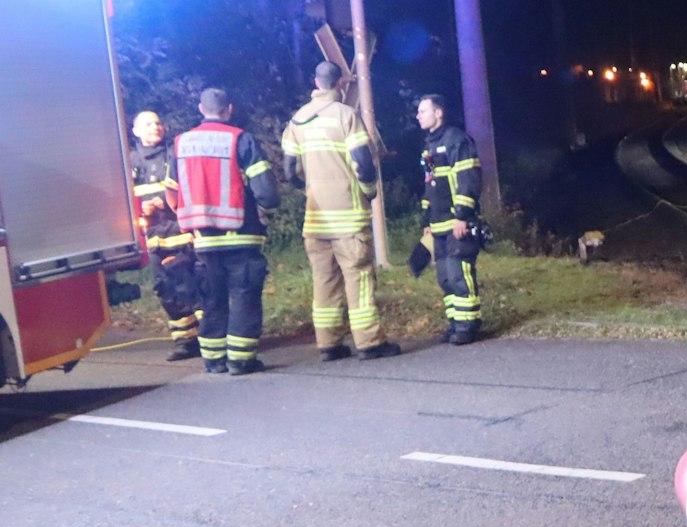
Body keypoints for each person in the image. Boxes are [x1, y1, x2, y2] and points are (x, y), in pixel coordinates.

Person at [282, 63, 399, 362]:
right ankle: (369, 342)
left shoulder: (297, 121)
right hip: (347, 218)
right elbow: (363, 160)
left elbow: (288, 170)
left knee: (324, 282)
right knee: (358, 280)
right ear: (342, 83)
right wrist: (369, 190)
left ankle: (329, 344)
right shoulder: (346, 115)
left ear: (315, 81)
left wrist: (309, 189)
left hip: (315, 220)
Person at [174, 87, 281, 375]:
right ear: (229, 109)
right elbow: (266, 192)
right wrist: (267, 211)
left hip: (203, 241)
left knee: (211, 299)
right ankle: (241, 360)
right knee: (244, 297)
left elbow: (173, 192)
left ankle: (213, 360)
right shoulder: (241, 140)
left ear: (200, 108)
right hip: (241, 236)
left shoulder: (181, 144)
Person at [129, 110, 201, 362]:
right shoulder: (130, 161)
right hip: (152, 237)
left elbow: (190, 187)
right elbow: (124, 198)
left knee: (190, 285)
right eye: (148, 124)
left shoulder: (174, 154)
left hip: (179, 234)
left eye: (158, 123)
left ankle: (209, 335)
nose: (155, 127)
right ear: (135, 131)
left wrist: (165, 202)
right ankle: (185, 340)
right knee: (165, 289)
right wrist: (141, 208)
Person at [416, 94, 483, 344]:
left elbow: (468, 179)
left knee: (459, 273)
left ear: (439, 113)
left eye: (423, 111)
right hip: (437, 225)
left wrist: (462, 216)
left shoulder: (458, 140)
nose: (418, 116)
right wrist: (426, 222)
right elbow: (429, 185)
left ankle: (469, 325)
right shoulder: (428, 146)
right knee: (445, 277)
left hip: (457, 222)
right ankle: (455, 323)